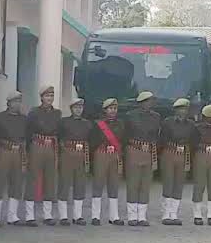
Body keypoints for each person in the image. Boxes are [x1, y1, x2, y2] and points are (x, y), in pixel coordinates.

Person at [124, 91, 161, 226]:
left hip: (148, 150)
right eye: (148, 101)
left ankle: (142, 216)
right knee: (133, 183)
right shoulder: (130, 116)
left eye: (151, 101)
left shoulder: (156, 117)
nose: (150, 103)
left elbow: (156, 135)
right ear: (141, 102)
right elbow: (125, 134)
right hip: (134, 149)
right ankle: (132, 216)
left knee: (145, 184)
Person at [0, 91, 28, 226]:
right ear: (8, 103)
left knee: (17, 183)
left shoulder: (24, 119)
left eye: (19, 101)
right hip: (3, 150)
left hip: (18, 152)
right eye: (14, 101)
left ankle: (12, 215)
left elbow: (25, 137)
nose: (17, 104)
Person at [27, 86, 62, 226]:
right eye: (47, 96)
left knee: (50, 179)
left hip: (51, 146)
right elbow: (28, 130)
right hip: (37, 145)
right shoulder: (34, 112)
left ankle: (47, 215)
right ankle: (30, 215)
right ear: (41, 97)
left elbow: (58, 131)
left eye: (51, 96)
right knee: (33, 179)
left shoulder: (57, 113)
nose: (49, 99)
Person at [160, 98, 197, 225]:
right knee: (168, 182)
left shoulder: (191, 124)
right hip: (169, 152)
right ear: (175, 110)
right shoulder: (167, 122)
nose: (183, 111)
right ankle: (166, 214)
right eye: (181, 108)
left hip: (183, 153)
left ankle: (174, 213)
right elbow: (162, 139)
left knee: (179, 183)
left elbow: (193, 140)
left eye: (185, 108)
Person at [89, 97, 126, 225]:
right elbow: (92, 141)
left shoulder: (121, 123)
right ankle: (95, 216)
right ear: (105, 110)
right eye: (110, 108)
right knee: (98, 184)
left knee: (114, 185)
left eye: (115, 108)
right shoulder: (97, 124)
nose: (113, 111)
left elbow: (123, 140)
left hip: (114, 155)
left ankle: (114, 216)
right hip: (101, 154)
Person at [57, 98, 92, 225]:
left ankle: (78, 216)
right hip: (67, 154)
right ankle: (63, 216)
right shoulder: (64, 122)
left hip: (81, 155)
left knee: (80, 185)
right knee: (64, 184)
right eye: (76, 107)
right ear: (71, 109)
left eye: (80, 107)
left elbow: (90, 140)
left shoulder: (87, 124)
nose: (78, 110)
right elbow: (59, 138)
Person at [191, 104, 211, 226]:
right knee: (199, 184)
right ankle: (197, 214)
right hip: (201, 153)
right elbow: (193, 143)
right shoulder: (197, 128)